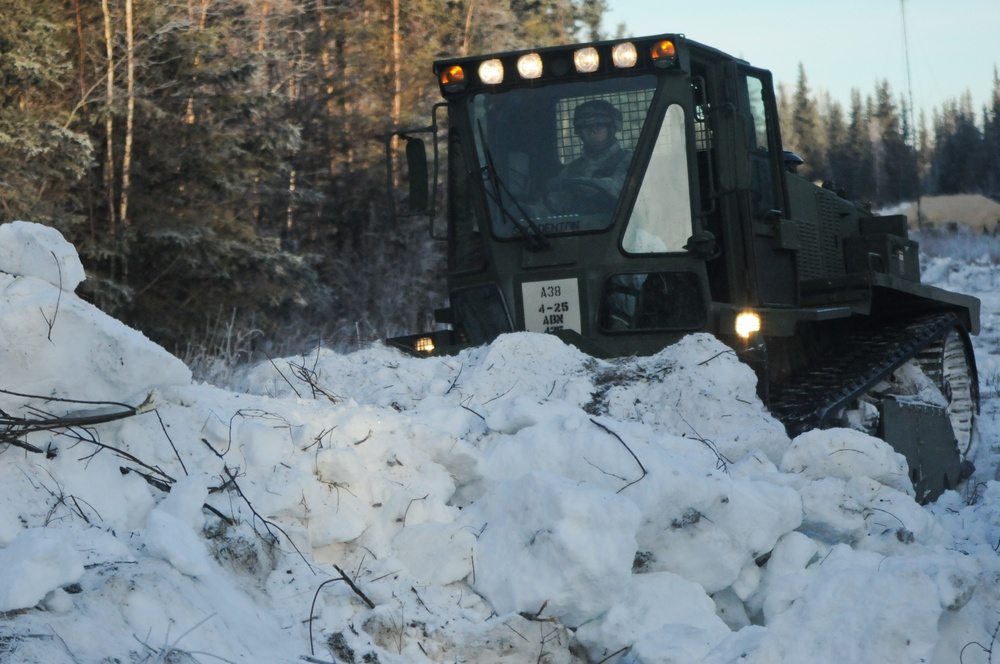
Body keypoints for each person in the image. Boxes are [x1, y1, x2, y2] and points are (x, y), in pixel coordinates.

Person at [544, 99, 631, 214]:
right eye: (585, 127)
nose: (591, 132)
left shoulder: (630, 161)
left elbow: (624, 190)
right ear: (579, 132)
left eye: (598, 127)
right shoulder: (572, 169)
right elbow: (553, 206)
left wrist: (583, 183)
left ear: (611, 128)